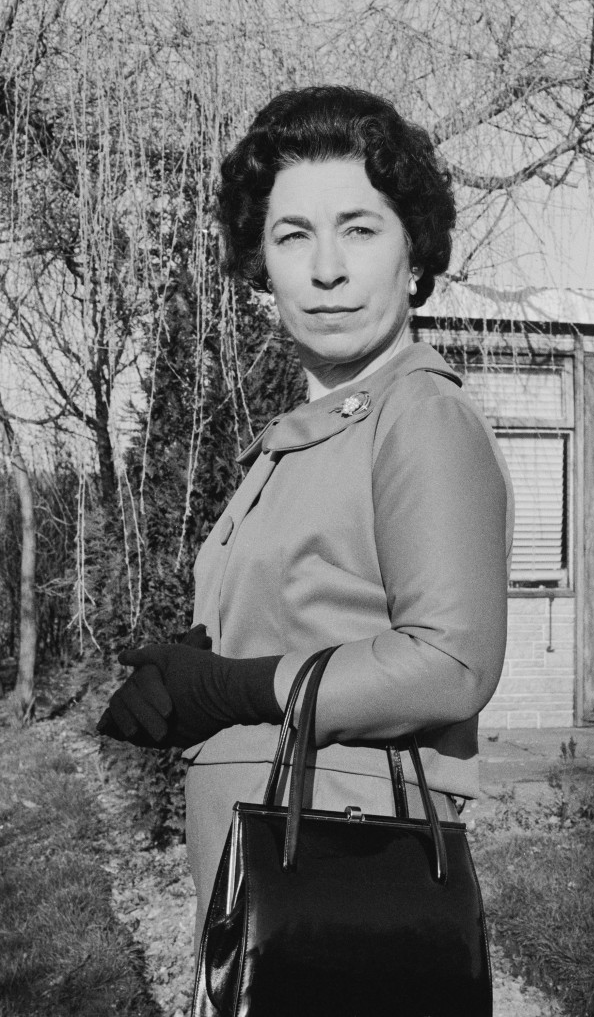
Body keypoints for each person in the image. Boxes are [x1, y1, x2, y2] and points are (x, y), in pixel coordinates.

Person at [97, 86, 514, 948]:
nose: (327, 268)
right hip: (266, 876)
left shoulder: (417, 415)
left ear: (413, 255)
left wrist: (239, 688)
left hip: (344, 878)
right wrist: (189, 687)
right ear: (262, 265)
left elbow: (448, 661)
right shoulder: (309, 433)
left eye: (359, 229)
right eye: (293, 235)